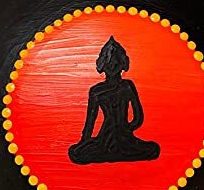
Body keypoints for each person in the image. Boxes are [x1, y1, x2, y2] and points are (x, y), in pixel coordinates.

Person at [68, 36, 160, 164]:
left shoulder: (124, 86)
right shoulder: (99, 90)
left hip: (122, 136)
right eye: (110, 63)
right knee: (76, 153)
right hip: (109, 137)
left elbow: (138, 118)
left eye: (115, 64)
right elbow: (90, 121)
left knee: (154, 149)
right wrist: (84, 141)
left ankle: (111, 151)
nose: (112, 67)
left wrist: (126, 129)